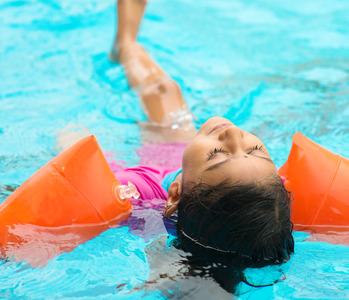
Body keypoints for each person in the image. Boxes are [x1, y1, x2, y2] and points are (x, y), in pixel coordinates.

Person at [109, 0, 294, 293]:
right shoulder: (269, 206)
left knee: (159, 92)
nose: (234, 134)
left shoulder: (137, 192)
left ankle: (125, 41)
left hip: (162, 162)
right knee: (166, 92)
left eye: (218, 153)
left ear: (177, 192)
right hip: (197, 171)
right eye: (255, 151)